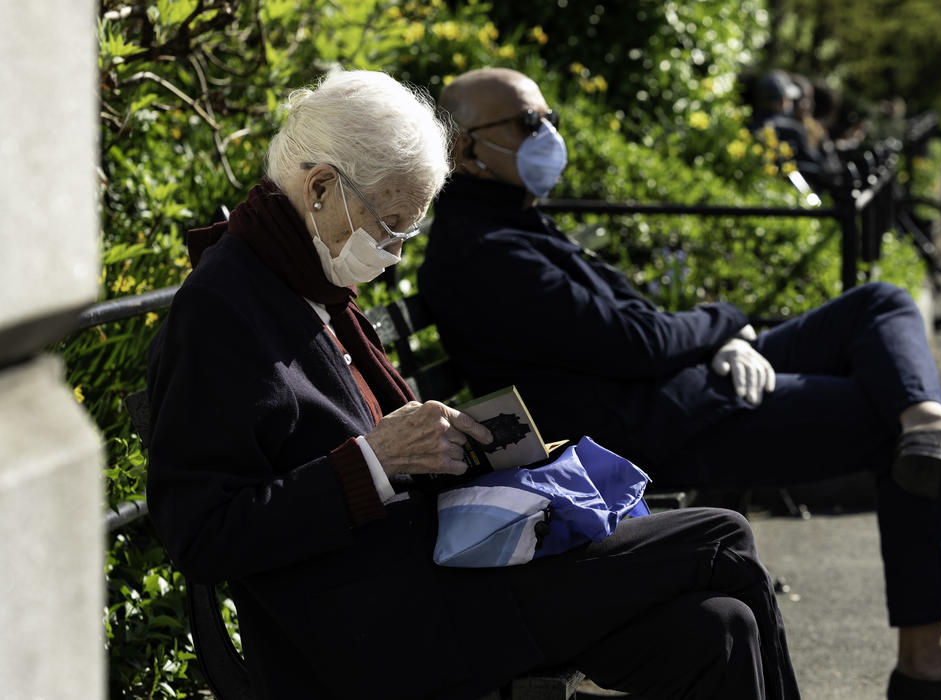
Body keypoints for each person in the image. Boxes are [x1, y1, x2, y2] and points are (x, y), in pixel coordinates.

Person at [421, 67, 941, 700]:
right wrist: (726, 323)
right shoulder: (485, 252)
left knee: (877, 305)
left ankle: (930, 423)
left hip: (684, 384)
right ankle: (928, 668)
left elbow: (639, 325)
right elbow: (640, 343)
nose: (548, 134)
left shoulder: (512, 221)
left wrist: (723, 339)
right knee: (888, 430)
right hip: (659, 424)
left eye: (549, 117)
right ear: (464, 148)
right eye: (528, 121)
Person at [145, 69, 799, 700]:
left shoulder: (305, 275)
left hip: (443, 577)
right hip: (379, 631)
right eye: (391, 225)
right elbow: (202, 534)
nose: (396, 250)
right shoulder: (225, 306)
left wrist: (455, 447)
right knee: (721, 535)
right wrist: (374, 461)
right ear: (319, 188)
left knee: (718, 632)